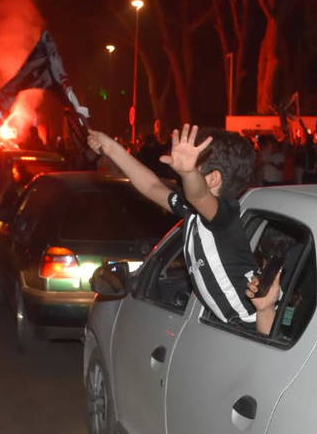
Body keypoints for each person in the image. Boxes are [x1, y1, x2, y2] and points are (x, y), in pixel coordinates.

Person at [88, 124, 281, 333]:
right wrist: (111, 147)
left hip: (256, 322)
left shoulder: (225, 217)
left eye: (196, 170)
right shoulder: (192, 212)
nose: (182, 178)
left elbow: (198, 195)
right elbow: (151, 186)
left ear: (213, 179)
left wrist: (189, 174)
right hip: (233, 330)